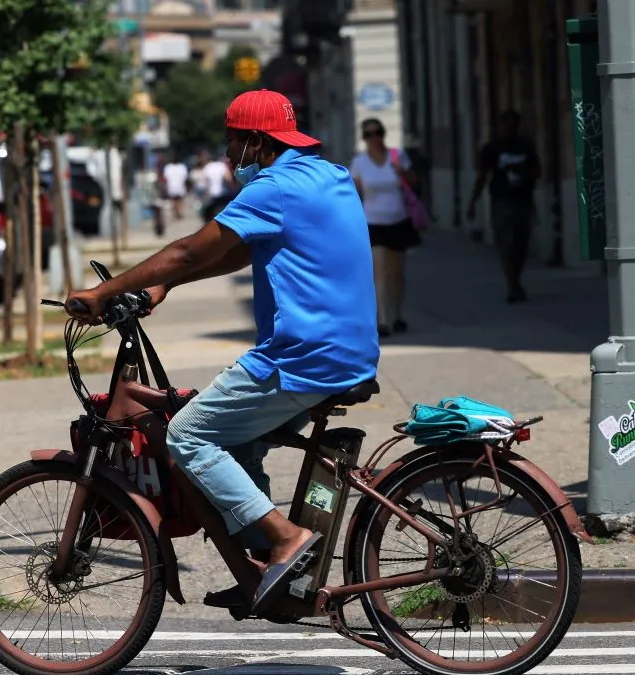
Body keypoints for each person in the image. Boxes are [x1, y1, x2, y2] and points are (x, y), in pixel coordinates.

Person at [65, 89, 379, 613]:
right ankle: (261, 571)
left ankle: (284, 539)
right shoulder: (326, 174)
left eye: (234, 145)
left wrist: (103, 292)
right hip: (347, 349)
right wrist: (168, 286)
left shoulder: (274, 188)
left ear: (256, 142)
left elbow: (192, 247)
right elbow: (235, 252)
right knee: (237, 443)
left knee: (188, 434)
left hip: (301, 356)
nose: (231, 157)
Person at [349, 118, 422, 337]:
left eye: (377, 132)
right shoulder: (360, 162)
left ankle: (397, 314)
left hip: (399, 221)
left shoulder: (397, 156)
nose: (374, 138)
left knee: (397, 274)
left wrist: (401, 172)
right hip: (374, 223)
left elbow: (414, 180)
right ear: (364, 138)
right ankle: (383, 320)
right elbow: (354, 193)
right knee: (379, 273)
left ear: (383, 133)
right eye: (369, 134)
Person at [468, 110, 541, 303]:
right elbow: (482, 176)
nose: (509, 128)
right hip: (502, 202)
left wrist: (524, 172)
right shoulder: (492, 148)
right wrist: (473, 202)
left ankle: (516, 280)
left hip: (523, 201)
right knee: (507, 243)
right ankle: (512, 285)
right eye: (505, 124)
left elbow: (537, 171)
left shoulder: (526, 146)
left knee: (521, 244)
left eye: (513, 124)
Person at [161, 153, 189, 221]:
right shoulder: (182, 167)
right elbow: (185, 177)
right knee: (180, 200)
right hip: (180, 186)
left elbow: (165, 177)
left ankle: (177, 212)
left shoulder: (168, 167)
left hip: (171, 186)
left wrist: (165, 186)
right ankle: (180, 212)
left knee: (173, 201)